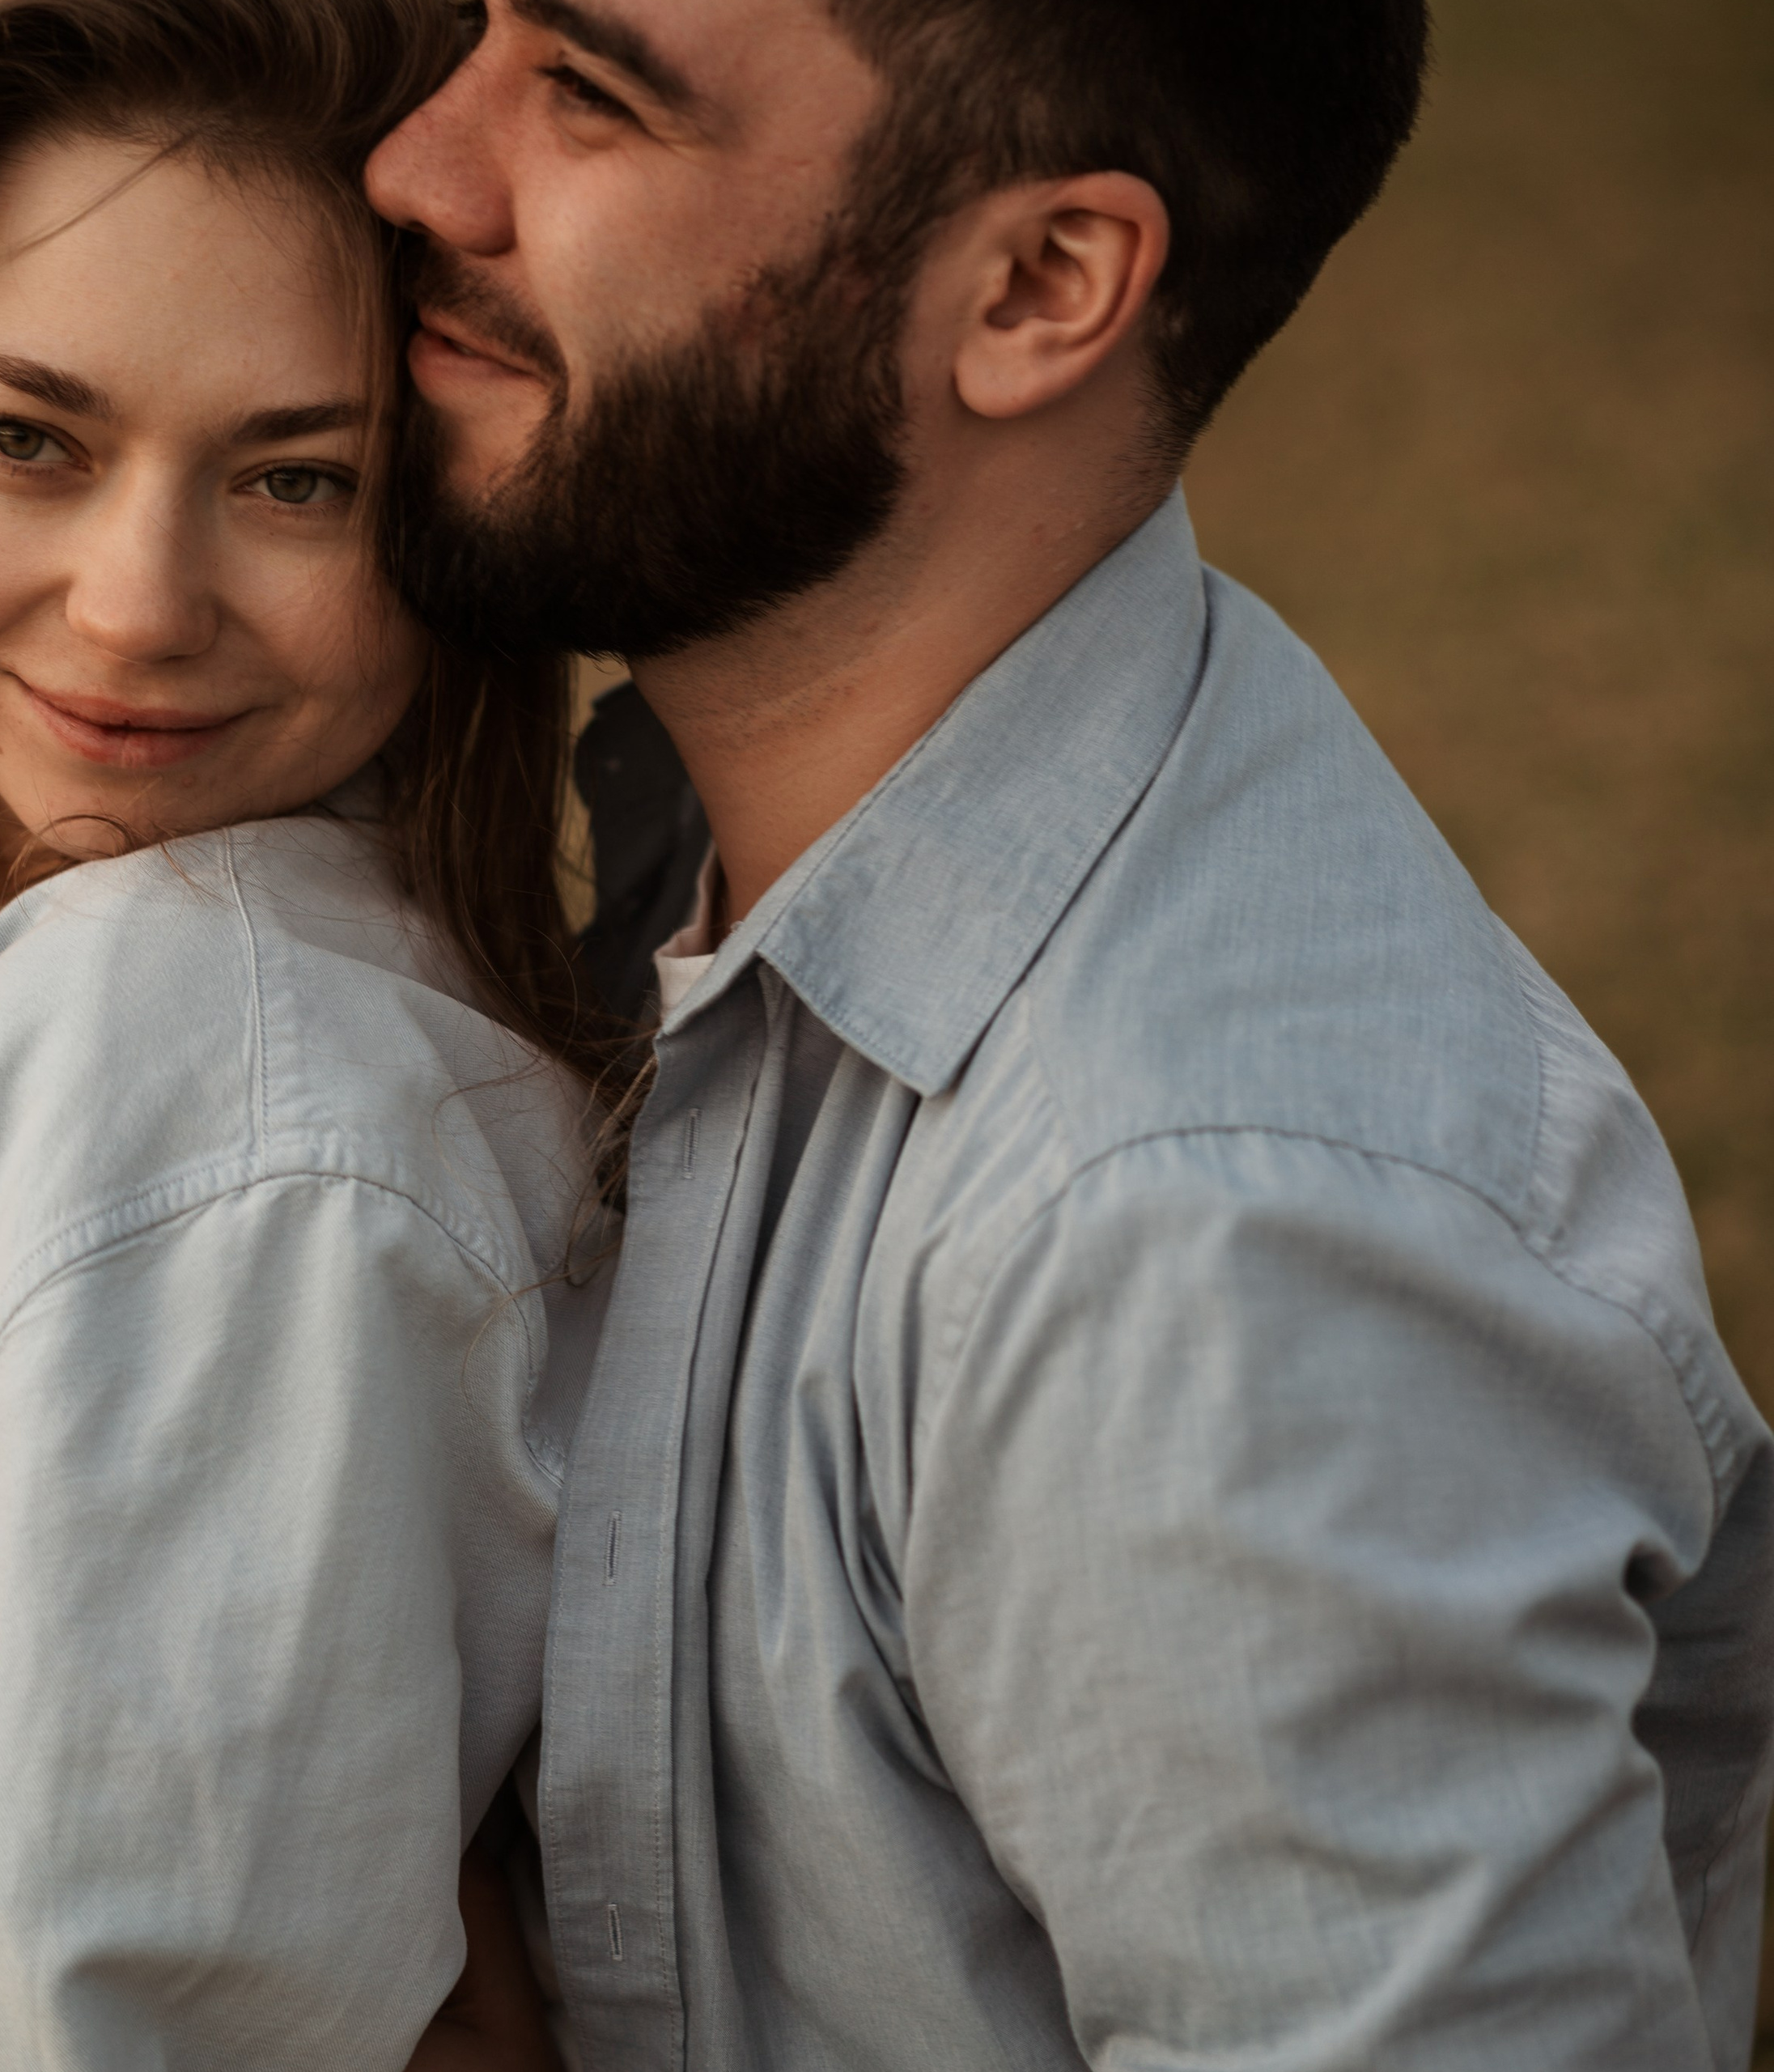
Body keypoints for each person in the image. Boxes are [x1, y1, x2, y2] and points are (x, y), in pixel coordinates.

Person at [365, 2, 1774, 2066]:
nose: (418, 162)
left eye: (587, 93)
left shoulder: (1212, 1262)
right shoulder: (685, 836)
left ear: (1033, 289)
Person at [0, 0, 596, 2061]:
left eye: (298, 478)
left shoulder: (213, 1080)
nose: (129, 605)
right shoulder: (7, 972)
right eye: (28, 436)